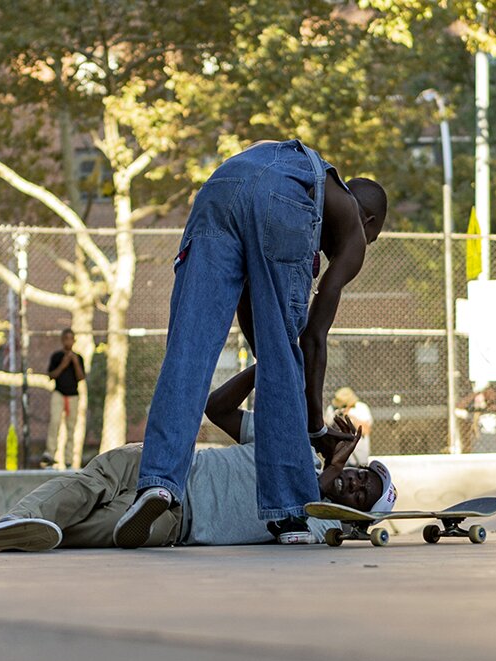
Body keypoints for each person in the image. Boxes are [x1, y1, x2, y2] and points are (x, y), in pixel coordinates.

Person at [114, 139, 388, 548]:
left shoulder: (310, 194)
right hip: (285, 194)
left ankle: (159, 483)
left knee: (189, 349)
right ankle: (289, 510)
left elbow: (255, 327)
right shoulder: (349, 221)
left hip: (220, 186)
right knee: (283, 353)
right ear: (367, 223)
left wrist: (291, 393)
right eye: (372, 240)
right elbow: (311, 339)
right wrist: (313, 427)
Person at [0, 366, 397, 552]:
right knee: (89, 483)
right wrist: (265, 366)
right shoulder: (289, 447)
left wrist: (334, 470)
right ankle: (3, 526)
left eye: (362, 495)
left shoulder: (321, 529)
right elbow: (218, 409)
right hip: (170, 463)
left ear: (357, 515)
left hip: (175, 516)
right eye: (362, 477)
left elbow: (310, 503)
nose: (355, 484)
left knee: (83, 529)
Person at [40, 328, 85, 469]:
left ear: (74, 340)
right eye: (66, 338)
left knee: (71, 427)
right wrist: (64, 364)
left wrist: (75, 362)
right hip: (59, 393)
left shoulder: (79, 358)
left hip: (73, 395)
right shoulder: (57, 356)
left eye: (71, 339)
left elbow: (81, 377)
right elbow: (51, 375)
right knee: (55, 422)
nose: (68, 341)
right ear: (62, 340)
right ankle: (50, 455)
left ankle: (69, 459)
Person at [455, 385, 496, 453]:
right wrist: (474, 393)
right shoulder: (475, 414)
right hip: (479, 454)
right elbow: (456, 410)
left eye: (479, 397)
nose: (476, 399)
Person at [326, 386, 373, 466]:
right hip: (338, 458)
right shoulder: (332, 409)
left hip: (359, 458)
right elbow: (326, 429)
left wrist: (349, 417)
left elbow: (366, 430)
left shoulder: (360, 408)